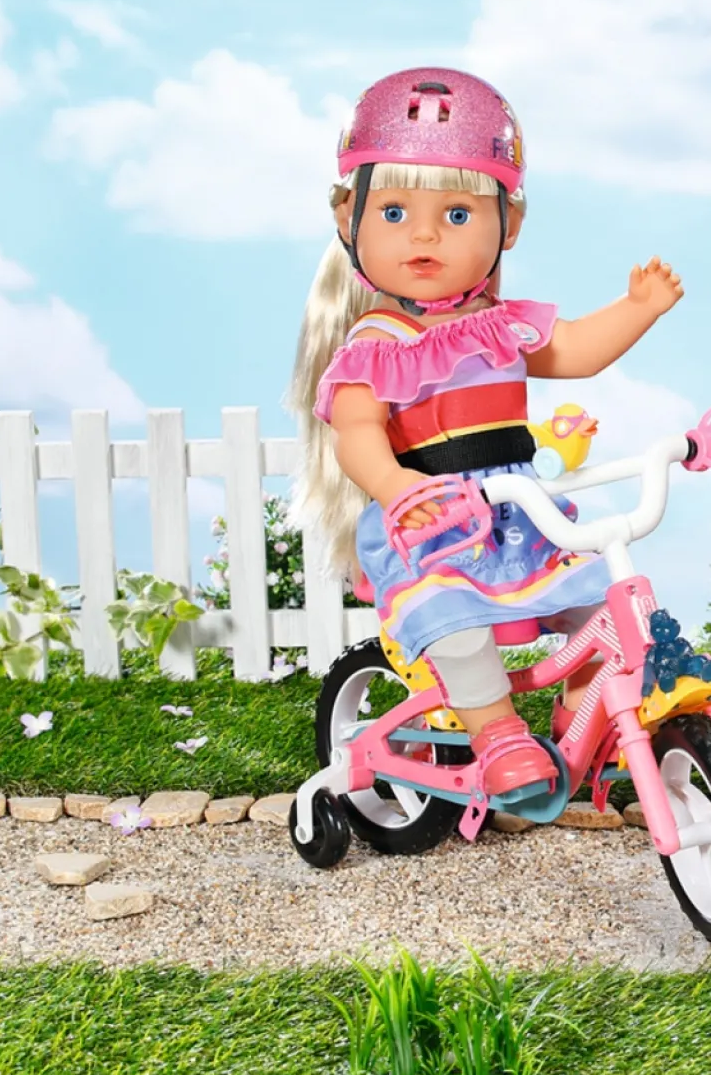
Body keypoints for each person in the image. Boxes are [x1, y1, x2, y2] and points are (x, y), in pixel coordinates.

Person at [287, 68, 682, 796]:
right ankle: (497, 734)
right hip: (435, 526)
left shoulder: (502, 327)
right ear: (348, 218)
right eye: (395, 212)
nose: (426, 234)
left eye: (458, 214)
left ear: (511, 225)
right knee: (455, 620)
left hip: (518, 520)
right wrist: (397, 486)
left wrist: (638, 309)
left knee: (601, 602)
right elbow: (357, 431)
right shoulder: (376, 345)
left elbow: (575, 349)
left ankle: (587, 709)